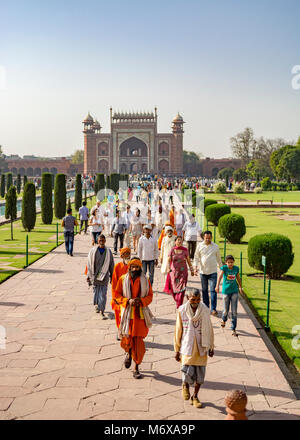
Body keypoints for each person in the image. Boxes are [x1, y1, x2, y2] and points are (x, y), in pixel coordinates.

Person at [174, 288, 214, 408]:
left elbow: (210, 329)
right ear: (187, 298)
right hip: (187, 345)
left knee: (200, 375)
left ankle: (195, 396)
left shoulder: (205, 310)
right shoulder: (181, 310)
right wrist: (177, 349)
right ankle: (185, 385)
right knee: (186, 370)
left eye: (198, 299)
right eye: (193, 299)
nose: (195, 302)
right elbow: (178, 330)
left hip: (202, 345)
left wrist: (211, 346)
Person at [115, 258, 154, 379]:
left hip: (140, 315)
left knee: (138, 341)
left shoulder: (145, 280)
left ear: (140, 268)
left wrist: (141, 301)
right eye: (133, 267)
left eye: (137, 267)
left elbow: (150, 296)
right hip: (127, 314)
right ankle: (128, 353)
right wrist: (128, 301)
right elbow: (117, 295)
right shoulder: (122, 279)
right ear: (130, 268)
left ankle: (136, 367)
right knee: (127, 339)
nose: (135, 269)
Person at [194, 230, 222, 317]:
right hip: (203, 272)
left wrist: (222, 269)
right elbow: (196, 257)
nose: (207, 239)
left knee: (213, 291)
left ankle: (213, 308)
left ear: (211, 237)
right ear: (203, 237)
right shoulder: (199, 246)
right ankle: (206, 307)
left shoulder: (215, 246)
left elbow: (219, 259)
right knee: (205, 290)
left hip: (213, 271)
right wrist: (195, 267)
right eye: (206, 238)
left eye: (209, 238)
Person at [86, 234, 114, 319]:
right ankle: (98, 305)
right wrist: (88, 275)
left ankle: (102, 310)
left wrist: (112, 276)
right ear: (97, 241)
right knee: (96, 293)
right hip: (95, 276)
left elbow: (111, 265)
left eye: (103, 240)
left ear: (105, 241)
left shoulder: (108, 252)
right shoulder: (92, 251)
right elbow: (89, 264)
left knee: (103, 294)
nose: (101, 242)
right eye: (100, 240)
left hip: (104, 276)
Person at [216, 255, 243, 336]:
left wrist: (240, 287)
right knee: (225, 310)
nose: (230, 264)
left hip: (234, 291)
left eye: (231, 262)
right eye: (228, 262)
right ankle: (224, 320)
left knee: (234, 311)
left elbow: (238, 278)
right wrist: (217, 286)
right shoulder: (224, 268)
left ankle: (233, 328)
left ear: (233, 262)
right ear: (226, 263)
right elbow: (220, 277)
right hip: (226, 291)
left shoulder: (236, 268)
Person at [167, 235, 194, 308]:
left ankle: (180, 303)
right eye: (178, 240)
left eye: (181, 240)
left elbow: (188, 261)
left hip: (183, 272)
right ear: (175, 242)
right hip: (174, 272)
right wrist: (168, 268)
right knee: (174, 288)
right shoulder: (172, 250)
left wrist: (192, 270)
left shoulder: (185, 250)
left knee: (182, 287)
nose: (179, 241)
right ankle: (177, 299)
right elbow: (169, 260)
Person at [111, 247, 131, 338]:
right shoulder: (117, 267)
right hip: (119, 295)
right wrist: (114, 297)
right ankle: (119, 330)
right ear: (121, 256)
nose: (127, 255)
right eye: (125, 254)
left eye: (128, 254)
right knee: (118, 315)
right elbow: (114, 283)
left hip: (130, 295)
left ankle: (127, 332)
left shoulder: (133, 266)